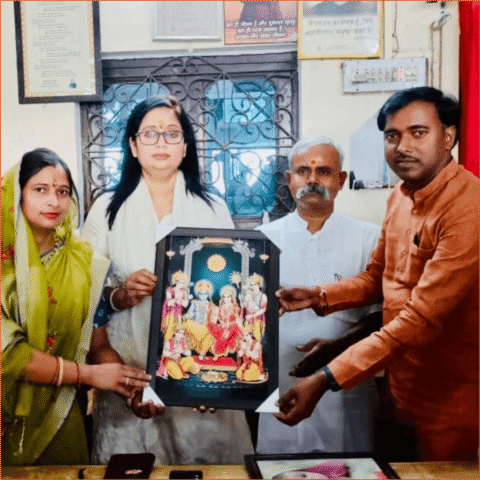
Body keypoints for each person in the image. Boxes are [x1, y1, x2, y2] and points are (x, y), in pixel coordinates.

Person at [275, 87, 479, 461]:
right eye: (392, 135)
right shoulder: (400, 197)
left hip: (449, 400)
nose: (403, 147)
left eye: (418, 132)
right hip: (395, 388)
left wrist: (326, 377)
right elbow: (377, 278)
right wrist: (319, 295)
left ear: (449, 136)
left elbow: (420, 319)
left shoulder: (468, 207)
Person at [82, 95, 254, 464]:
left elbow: (233, 294)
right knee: (137, 464)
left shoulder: (213, 207)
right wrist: (121, 294)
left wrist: (217, 382)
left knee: (208, 464)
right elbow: (87, 296)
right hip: (130, 369)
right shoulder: (106, 209)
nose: (161, 142)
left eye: (172, 134)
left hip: (202, 371)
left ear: (186, 146)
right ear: (133, 145)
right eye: (150, 133)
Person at [1, 148, 150, 466]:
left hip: (62, 415)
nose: (53, 201)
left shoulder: (83, 262)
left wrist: (130, 389)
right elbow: (8, 355)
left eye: (62, 191)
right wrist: (89, 375)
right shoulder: (3, 268)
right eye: (40, 190)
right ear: (17, 194)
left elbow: (98, 343)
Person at [256, 137, 381, 454]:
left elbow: (385, 318)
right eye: (302, 171)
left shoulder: (371, 239)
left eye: (324, 171)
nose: (312, 180)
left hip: (346, 388)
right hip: (280, 384)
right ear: (289, 179)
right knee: (279, 470)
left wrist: (339, 346)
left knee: (351, 469)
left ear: (341, 180)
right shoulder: (261, 242)